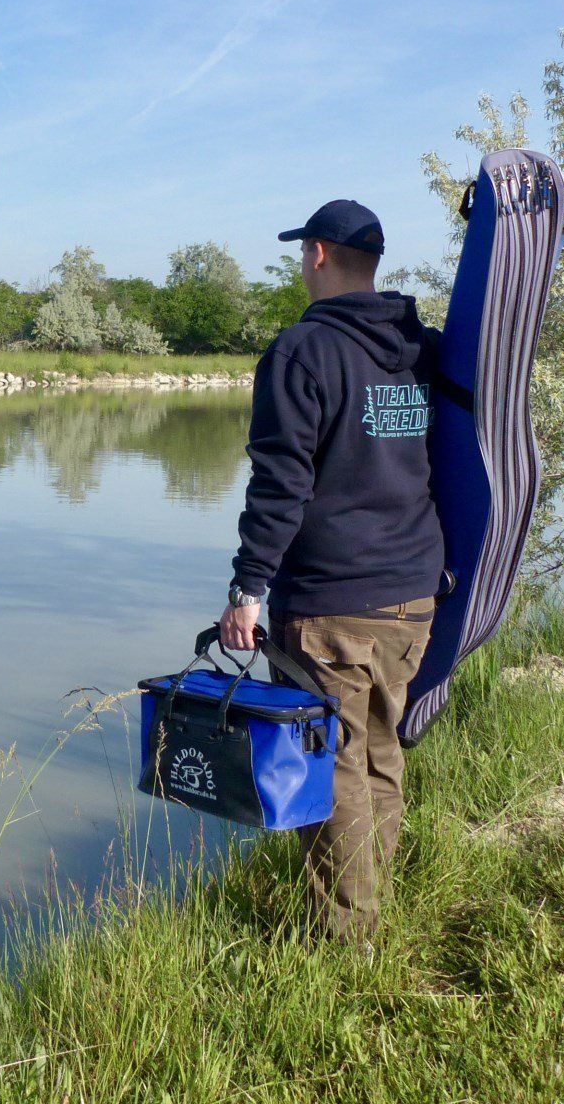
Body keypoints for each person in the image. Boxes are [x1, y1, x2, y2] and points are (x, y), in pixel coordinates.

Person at [217, 198, 444, 942]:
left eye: (301, 254)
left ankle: (345, 942)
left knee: (336, 772)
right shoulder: (421, 347)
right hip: (414, 594)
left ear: (317, 254)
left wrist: (248, 590)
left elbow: (281, 484)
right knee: (379, 754)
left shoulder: (302, 352)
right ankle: (368, 911)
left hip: (332, 604)